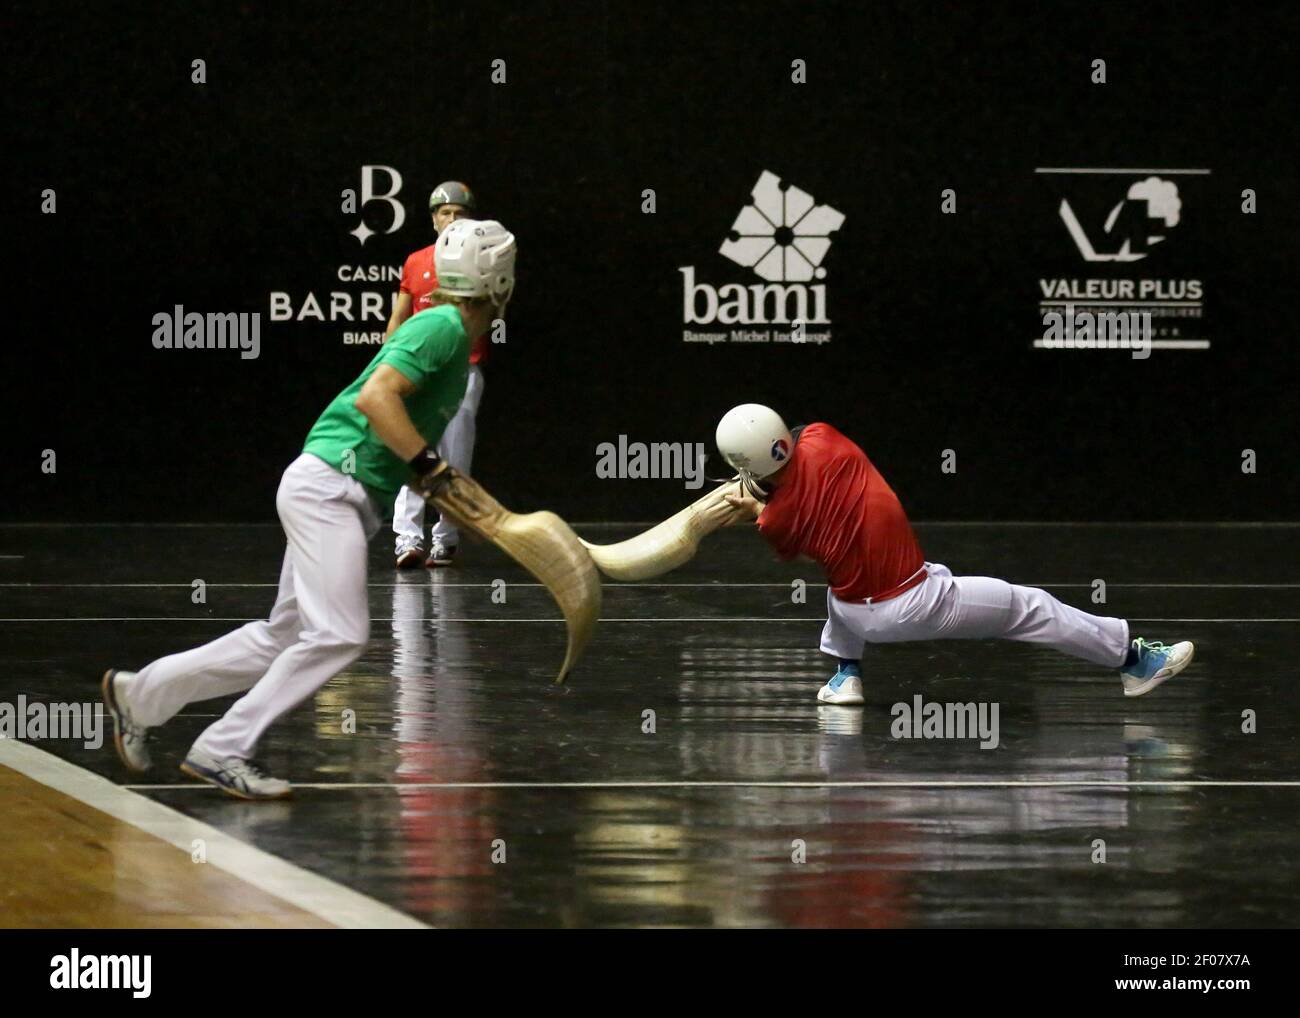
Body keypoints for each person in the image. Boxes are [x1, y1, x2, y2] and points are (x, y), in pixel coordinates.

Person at [100, 219, 517, 799]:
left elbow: (402, 444)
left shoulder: (440, 331)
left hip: (331, 486)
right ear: (501, 283)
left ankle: (140, 696)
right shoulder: (443, 329)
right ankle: (224, 748)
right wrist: (430, 468)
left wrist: (463, 501)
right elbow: (376, 399)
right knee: (341, 634)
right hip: (330, 488)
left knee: (281, 636)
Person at [715, 404, 1194, 706]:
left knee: (839, 579)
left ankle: (846, 676)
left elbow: (791, 529)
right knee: (1028, 606)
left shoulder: (772, 523)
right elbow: (799, 445)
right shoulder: (825, 439)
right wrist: (763, 491)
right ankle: (1134, 663)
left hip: (858, 612)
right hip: (916, 603)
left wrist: (755, 501)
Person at [387, 181, 490, 568]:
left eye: (460, 214)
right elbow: (399, 317)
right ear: (434, 221)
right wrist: (390, 362)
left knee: (455, 456)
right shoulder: (415, 261)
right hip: (417, 372)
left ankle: (445, 538)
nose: (451, 219)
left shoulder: (484, 260)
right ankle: (407, 538)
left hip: (464, 370)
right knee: (411, 449)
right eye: (444, 213)